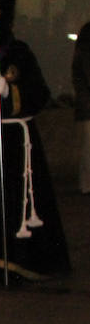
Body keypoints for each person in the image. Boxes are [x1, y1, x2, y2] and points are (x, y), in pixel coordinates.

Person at [0, 0, 71, 281]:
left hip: (16, 144)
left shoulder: (20, 54)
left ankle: (21, 262)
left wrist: (10, 92)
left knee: (16, 202)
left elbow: (39, 93)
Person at [74, 21, 90, 194]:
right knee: (88, 148)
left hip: (86, 105)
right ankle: (86, 184)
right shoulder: (85, 52)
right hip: (88, 106)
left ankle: (86, 184)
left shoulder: (82, 52)